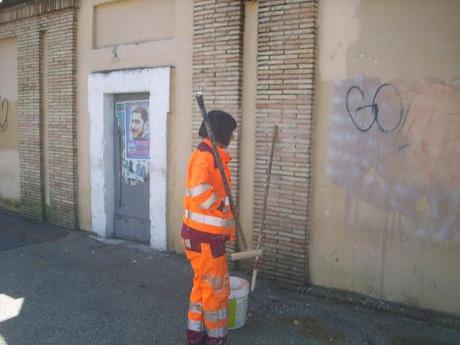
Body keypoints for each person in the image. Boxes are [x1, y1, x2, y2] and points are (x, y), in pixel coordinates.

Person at [182, 110, 237, 345]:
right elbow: (199, 189)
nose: (233, 137)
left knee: (201, 284)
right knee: (216, 290)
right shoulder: (206, 155)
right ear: (222, 131)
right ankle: (217, 338)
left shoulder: (210, 153)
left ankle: (195, 334)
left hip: (199, 237)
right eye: (232, 132)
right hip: (205, 240)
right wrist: (222, 204)